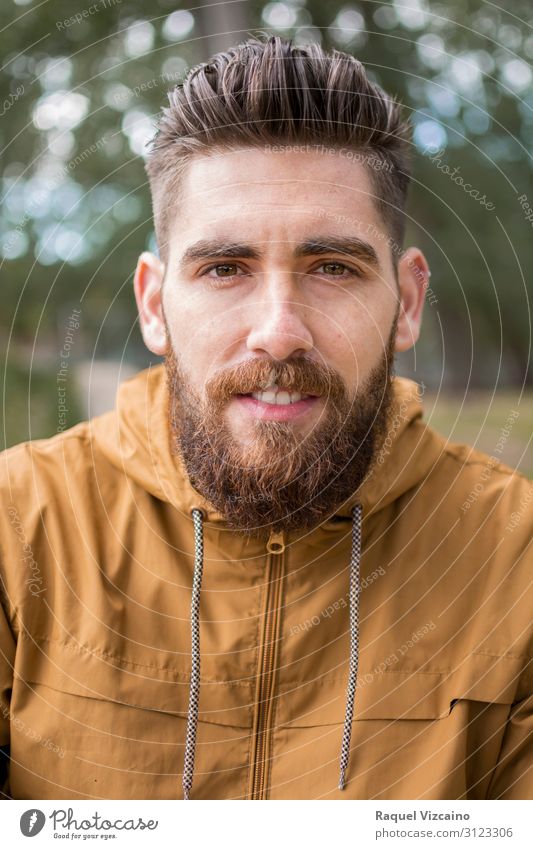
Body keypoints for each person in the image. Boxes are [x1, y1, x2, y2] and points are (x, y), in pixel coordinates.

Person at [0, 34, 531, 801]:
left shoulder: (513, 555)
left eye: (332, 267)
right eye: (224, 268)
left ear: (407, 301)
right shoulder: (18, 528)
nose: (279, 330)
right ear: (154, 304)